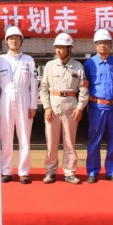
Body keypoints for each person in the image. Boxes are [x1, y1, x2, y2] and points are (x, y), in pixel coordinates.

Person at [40, 32, 89, 185]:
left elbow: (84, 89)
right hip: (53, 107)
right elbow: (43, 88)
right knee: (51, 142)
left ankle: (69, 172)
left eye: (62, 47)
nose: (58, 50)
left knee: (69, 141)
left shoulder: (78, 66)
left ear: (69, 48)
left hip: (70, 107)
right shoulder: (49, 66)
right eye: (57, 47)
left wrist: (80, 108)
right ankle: (50, 171)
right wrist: (46, 107)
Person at [0, 26, 38, 184]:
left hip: (24, 98)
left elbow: (34, 84)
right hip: (5, 98)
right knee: (6, 136)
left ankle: (23, 172)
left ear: (21, 41)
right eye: (11, 38)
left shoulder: (28, 60)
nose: (14, 41)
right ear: (6, 41)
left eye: (17, 38)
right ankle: (6, 170)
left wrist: (33, 105)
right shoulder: (0, 59)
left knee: (24, 137)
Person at [84, 28, 113, 183]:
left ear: (110, 45)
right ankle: (93, 172)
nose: (103, 46)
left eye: (106, 43)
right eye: (100, 43)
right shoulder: (89, 64)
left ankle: (111, 171)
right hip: (97, 108)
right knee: (95, 139)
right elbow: (85, 86)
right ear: (95, 45)